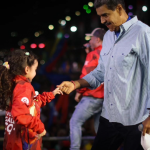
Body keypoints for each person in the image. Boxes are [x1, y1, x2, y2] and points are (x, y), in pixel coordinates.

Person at [58, 0, 150, 149]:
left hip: (136, 120)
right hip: (109, 117)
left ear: (119, 9)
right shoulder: (108, 36)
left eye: (105, 15)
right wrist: (75, 84)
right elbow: (101, 72)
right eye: (100, 16)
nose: (102, 21)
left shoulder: (143, 32)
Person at [0, 50, 63, 150]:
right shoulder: (23, 87)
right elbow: (21, 115)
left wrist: (52, 94)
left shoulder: (14, 84)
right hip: (23, 142)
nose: (36, 72)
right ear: (27, 70)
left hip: (16, 141)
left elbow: (32, 104)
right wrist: (40, 128)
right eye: (35, 69)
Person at [70, 28, 106, 150]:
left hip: (92, 96)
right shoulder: (108, 52)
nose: (89, 40)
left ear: (97, 39)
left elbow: (87, 75)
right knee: (99, 130)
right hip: (104, 98)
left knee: (75, 122)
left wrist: (79, 92)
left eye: (91, 38)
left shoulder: (93, 54)